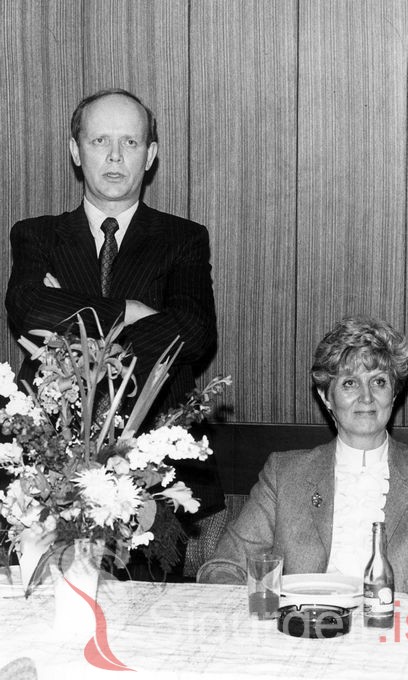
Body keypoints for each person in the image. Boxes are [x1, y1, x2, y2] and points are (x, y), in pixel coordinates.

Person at [5, 88, 223, 574]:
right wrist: (132, 311)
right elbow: (28, 306)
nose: (115, 156)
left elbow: (194, 332)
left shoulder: (183, 238)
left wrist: (74, 325)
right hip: (50, 469)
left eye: (130, 142)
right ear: (75, 150)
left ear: (151, 154)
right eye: (100, 140)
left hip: (153, 475)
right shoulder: (37, 235)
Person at [197, 316, 408, 591]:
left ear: (394, 393)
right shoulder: (284, 474)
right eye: (350, 383)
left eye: (378, 382)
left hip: (391, 618)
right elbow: (225, 566)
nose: (366, 397)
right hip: (299, 617)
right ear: (326, 396)